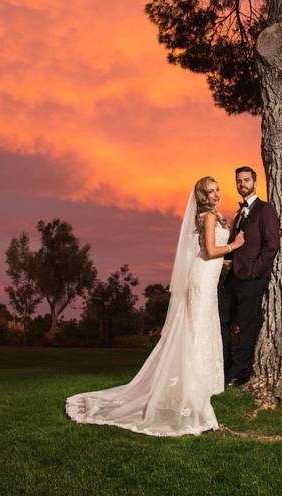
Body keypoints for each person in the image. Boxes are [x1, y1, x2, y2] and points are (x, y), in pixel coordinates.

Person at [65, 176, 245, 436]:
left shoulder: (214, 215)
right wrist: (235, 245)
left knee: (200, 329)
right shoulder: (206, 217)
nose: (217, 194)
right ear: (203, 196)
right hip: (202, 279)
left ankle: (196, 384)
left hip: (208, 278)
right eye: (211, 191)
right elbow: (208, 250)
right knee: (195, 330)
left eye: (218, 189)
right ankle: (191, 389)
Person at [220, 166, 281, 386]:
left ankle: (240, 373)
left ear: (254, 182)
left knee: (246, 325)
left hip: (252, 278)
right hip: (232, 278)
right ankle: (224, 367)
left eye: (246, 180)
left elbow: (272, 245)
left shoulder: (265, 210)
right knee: (221, 319)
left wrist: (256, 271)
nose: (242, 184)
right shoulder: (238, 213)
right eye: (239, 181)